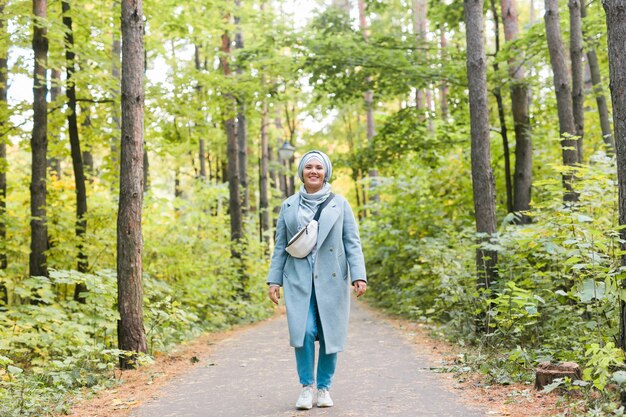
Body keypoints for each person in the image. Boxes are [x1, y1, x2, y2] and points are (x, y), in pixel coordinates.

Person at [266, 150, 367, 410]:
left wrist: (358, 275)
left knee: (329, 333)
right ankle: (306, 387)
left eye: (319, 168)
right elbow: (280, 246)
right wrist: (273, 280)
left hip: (332, 278)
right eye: (308, 167)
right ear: (301, 172)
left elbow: (352, 242)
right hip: (298, 278)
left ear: (326, 172)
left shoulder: (340, 204)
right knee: (304, 331)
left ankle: (324, 388)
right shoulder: (289, 205)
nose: (313, 171)